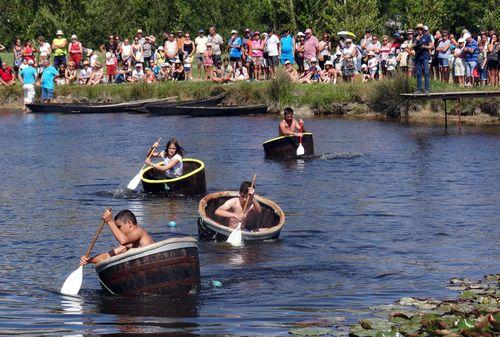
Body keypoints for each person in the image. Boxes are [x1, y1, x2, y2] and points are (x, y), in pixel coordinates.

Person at [80, 209, 154, 266]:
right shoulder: (129, 246)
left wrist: (109, 221)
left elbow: (123, 240)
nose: (118, 230)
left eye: (119, 227)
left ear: (129, 224)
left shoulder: (140, 231)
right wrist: (89, 260)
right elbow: (106, 256)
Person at [413, 24, 432, 94]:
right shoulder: (415, 37)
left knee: (426, 72)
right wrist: (416, 41)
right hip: (418, 57)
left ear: (423, 30)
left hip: (425, 57)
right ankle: (418, 89)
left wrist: (424, 46)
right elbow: (412, 46)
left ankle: (427, 89)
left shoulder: (427, 36)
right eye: (417, 29)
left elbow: (432, 46)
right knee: (418, 73)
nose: (419, 30)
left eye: (420, 29)